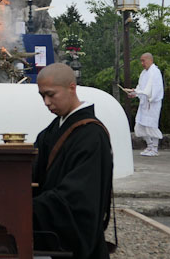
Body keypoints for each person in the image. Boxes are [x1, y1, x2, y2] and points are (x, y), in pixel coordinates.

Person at [31, 63, 113, 259]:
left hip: (77, 233)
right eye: (42, 95)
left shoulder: (91, 135)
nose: (46, 102)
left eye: (51, 94)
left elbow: (78, 196)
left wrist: (28, 208)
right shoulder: (54, 129)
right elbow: (34, 169)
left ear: (72, 88)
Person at [127, 53, 164, 156]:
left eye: (143, 61)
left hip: (152, 103)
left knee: (151, 125)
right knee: (141, 124)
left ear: (150, 60)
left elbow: (155, 89)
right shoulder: (144, 73)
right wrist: (134, 93)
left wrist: (145, 95)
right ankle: (149, 145)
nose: (142, 63)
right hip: (144, 103)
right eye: (141, 61)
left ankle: (155, 149)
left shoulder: (155, 72)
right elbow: (141, 87)